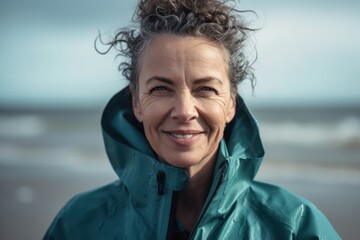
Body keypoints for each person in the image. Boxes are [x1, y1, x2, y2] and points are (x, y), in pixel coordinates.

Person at [44, 0, 340, 239]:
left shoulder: (293, 227)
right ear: (136, 101)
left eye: (205, 89)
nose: (185, 110)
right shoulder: (79, 223)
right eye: (161, 88)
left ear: (230, 103)